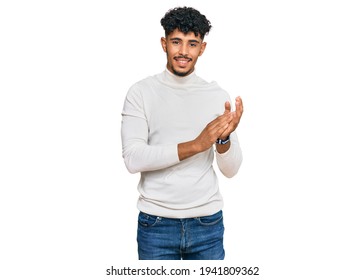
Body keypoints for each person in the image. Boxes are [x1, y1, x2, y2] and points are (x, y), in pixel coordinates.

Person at [121, 6, 243, 260]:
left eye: (192, 44)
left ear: (202, 48)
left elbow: (231, 170)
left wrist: (223, 139)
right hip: (156, 225)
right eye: (177, 42)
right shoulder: (141, 93)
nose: (184, 52)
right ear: (164, 43)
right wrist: (197, 145)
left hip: (207, 224)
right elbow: (133, 158)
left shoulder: (216, 96)